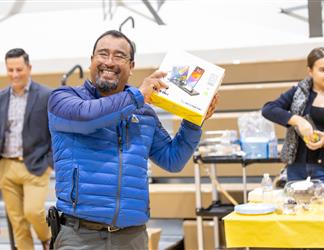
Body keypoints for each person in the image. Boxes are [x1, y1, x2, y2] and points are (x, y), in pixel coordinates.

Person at [47, 30, 218, 249]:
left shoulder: (144, 114)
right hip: (79, 237)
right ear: (91, 61)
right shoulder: (64, 99)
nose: (109, 62)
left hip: (133, 238)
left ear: (132, 66)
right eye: (103, 54)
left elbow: (172, 160)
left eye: (119, 56)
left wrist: (194, 120)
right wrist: (137, 96)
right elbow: (88, 117)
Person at [262, 47, 324, 197]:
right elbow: (268, 109)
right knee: (297, 215)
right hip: (296, 168)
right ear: (310, 71)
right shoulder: (298, 92)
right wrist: (296, 120)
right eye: (322, 69)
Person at [0, 48, 53, 249]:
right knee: (18, 224)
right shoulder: (1, 97)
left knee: (33, 212)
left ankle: (47, 238)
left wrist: (50, 162)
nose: (14, 75)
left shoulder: (46, 95)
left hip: (37, 165)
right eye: (10, 70)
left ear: (29, 68)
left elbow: (55, 132)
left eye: (19, 69)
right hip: (7, 166)